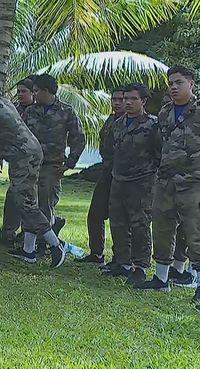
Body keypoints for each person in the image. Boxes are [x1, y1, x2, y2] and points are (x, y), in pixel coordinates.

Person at [0, 86, 66, 268]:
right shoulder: (3, 102)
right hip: (31, 152)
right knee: (28, 199)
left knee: (24, 202)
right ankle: (29, 252)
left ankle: (55, 245)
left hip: (22, 156)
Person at [134, 66, 200, 300]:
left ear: (191, 84)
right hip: (165, 179)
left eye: (179, 82)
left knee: (195, 231)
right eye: (170, 82)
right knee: (161, 227)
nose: (173, 87)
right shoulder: (164, 112)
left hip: (193, 181)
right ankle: (161, 278)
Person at [102, 83, 161, 285]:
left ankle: (141, 267)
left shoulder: (153, 124)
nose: (127, 102)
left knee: (140, 224)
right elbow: (109, 150)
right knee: (117, 223)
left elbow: (159, 154)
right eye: (125, 98)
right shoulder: (117, 124)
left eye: (133, 99)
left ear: (143, 101)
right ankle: (123, 263)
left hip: (142, 182)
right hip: (119, 180)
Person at [23, 74, 85, 253]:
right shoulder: (30, 112)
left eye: (36, 91)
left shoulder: (66, 111)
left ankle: (47, 243)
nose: (34, 95)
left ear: (47, 91)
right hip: (31, 165)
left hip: (52, 166)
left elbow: (78, 138)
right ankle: (29, 247)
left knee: (46, 204)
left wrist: (70, 163)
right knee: (29, 203)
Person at [78, 87, 126, 265]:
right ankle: (96, 253)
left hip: (123, 176)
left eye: (121, 99)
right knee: (95, 214)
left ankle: (120, 257)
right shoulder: (111, 120)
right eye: (114, 99)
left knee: (118, 218)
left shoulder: (131, 122)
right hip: (106, 173)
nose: (117, 103)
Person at [0, 78, 36, 246]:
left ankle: (30, 238)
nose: (20, 94)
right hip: (17, 162)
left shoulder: (39, 111)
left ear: (33, 92)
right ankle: (8, 232)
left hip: (36, 163)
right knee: (13, 197)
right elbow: (3, 134)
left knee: (33, 200)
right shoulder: (12, 111)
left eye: (24, 91)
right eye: (18, 91)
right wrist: (0, 155)